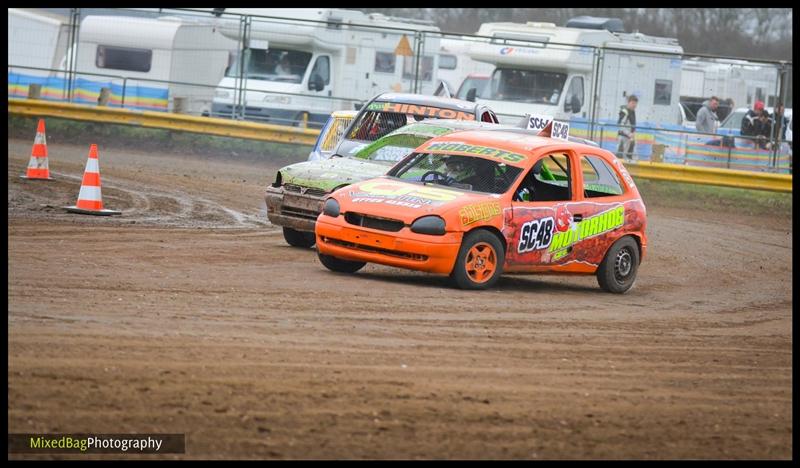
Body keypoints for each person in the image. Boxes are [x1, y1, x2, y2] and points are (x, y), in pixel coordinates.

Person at [616, 95, 638, 161]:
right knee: (621, 156)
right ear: (629, 102)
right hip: (624, 137)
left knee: (630, 154)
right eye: (633, 103)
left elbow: (632, 124)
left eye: (635, 103)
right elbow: (620, 125)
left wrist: (633, 133)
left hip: (629, 137)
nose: (635, 105)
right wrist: (629, 134)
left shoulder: (632, 111)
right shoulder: (625, 112)